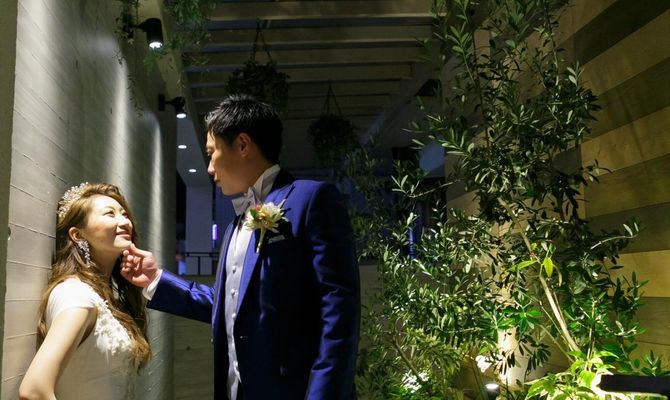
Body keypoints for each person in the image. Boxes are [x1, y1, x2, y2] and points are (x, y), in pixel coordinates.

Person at [121, 94, 360, 399]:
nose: (210, 168)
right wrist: (155, 280)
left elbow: (338, 313)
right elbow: (230, 304)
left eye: (212, 153)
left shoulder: (311, 199)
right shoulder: (235, 224)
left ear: (243, 145)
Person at [19, 183, 151, 400]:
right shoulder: (77, 295)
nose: (124, 222)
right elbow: (33, 391)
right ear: (78, 235)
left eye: (124, 214)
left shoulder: (103, 296)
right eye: (110, 214)